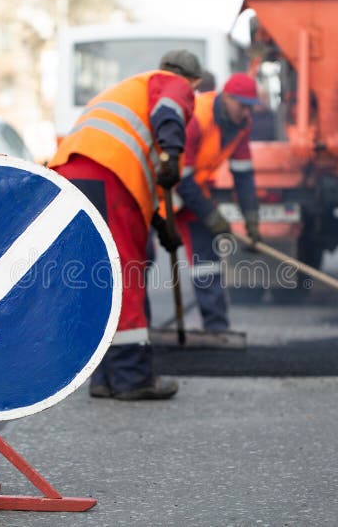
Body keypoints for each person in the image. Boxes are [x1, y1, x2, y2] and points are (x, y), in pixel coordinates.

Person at [48, 50, 202, 400]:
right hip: (108, 176)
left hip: (71, 174)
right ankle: (132, 378)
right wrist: (173, 153)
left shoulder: (129, 90)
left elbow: (145, 174)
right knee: (126, 271)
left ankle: (103, 376)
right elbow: (170, 113)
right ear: (194, 81)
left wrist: (161, 222)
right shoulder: (172, 85)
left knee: (97, 277)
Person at [173, 72, 262, 332]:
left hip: (191, 189)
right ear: (226, 97)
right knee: (141, 255)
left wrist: (252, 222)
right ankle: (134, 332)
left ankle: (217, 329)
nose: (246, 112)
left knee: (207, 259)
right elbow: (181, 176)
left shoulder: (242, 125)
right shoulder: (197, 117)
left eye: (250, 106)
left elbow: (244, 176)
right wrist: (212, 217)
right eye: (242, 105)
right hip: (159, 189)